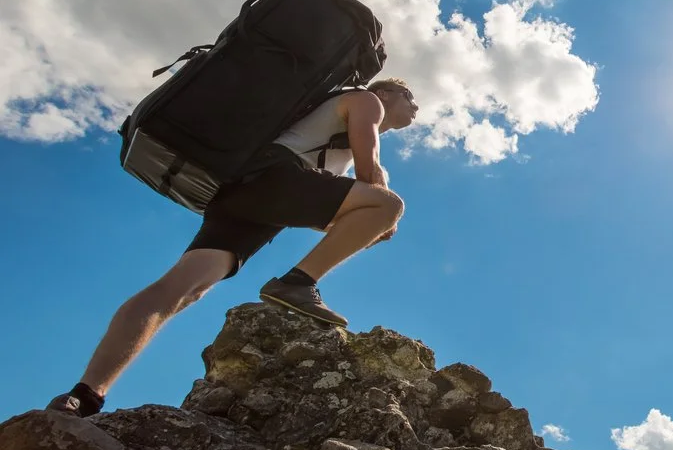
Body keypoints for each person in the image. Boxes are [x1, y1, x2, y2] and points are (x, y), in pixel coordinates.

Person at [45, 78, 419, 418]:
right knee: (389, 205)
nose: (415, 105)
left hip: (249, 194)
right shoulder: (367, 100)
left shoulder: (342, 121)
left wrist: (364, 219)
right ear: (384, 92)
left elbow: (321, 202)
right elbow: (369, 176)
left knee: (183, 289)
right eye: (408, 95)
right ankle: (297, 283)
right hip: (276, 176)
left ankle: (85, 394)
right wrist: (379, 211)